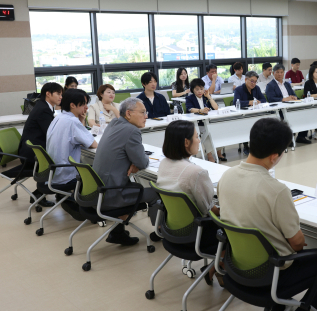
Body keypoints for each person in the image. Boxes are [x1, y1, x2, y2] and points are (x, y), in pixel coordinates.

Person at [217, 118, 317, 311]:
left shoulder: (226, 176)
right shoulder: (276, 190)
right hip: (272, 274)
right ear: (274, 157)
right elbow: (296, 243)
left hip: (236, 266)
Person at [156, 120, 222, 285]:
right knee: (235, 226)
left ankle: (216, 270)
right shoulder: (196, 172)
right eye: (196, 136)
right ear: (186, 142)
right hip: (197, 235)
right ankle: (218, 270)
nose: (199, 140)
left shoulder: (164, 164)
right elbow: (211, 211)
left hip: (171, 230)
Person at [93, 98, 161, 245]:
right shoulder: (132, 131)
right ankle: (160, 232)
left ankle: (117, 233)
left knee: (134, 187)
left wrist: (133, 161)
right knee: (157, 192)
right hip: (112, 193)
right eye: (143, 112)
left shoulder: (114, 123)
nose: (146, 116)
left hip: (97, 190)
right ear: (128, 114)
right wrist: (136, 161)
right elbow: (143, 162)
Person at [47, 89, 98, 219]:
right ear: (72, 105)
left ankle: (71, 200)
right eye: (83, 104)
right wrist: (81, 120)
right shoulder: (72, 122)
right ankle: (97, 208)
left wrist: (81, 119)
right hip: (66, 175)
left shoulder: (59, 118)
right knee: (101, 172)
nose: (86, 108)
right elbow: (93, 144)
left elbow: (78, 137)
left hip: (54, 172)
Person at [17, 82, 63, 207]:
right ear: (48, 94)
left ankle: (47, 192)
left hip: (33, 149)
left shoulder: (44, 106)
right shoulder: (43, 109)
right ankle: (47, 193)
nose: (61, 97)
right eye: (58, 94)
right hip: (33, 154)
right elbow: (51, 133)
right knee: (63, 160)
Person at [185, 78, 225, 162]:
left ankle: (219, 152)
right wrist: (200, 110)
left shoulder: (205, 97)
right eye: (197, 89)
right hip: (197, 124)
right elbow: (190, 109)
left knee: (219, 130)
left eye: (201, 89)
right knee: (206, 133)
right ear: (193, 90)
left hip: (208, 122)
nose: (200, 91)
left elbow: (216, 107)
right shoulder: (190, 98)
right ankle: (209, 155)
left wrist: (208, 96)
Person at [233, 71, 267, 156]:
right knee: (245, 125)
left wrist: (257, 102)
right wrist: (249, 102)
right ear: (245, 79)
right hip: (243, 115)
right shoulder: (239, 89)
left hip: (255, 113)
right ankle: (246, 146)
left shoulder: (257, 88)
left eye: (255, 81)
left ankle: (258, 145)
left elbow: (264, 100)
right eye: (252, 81)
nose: (254, 83)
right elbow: (236, 103)